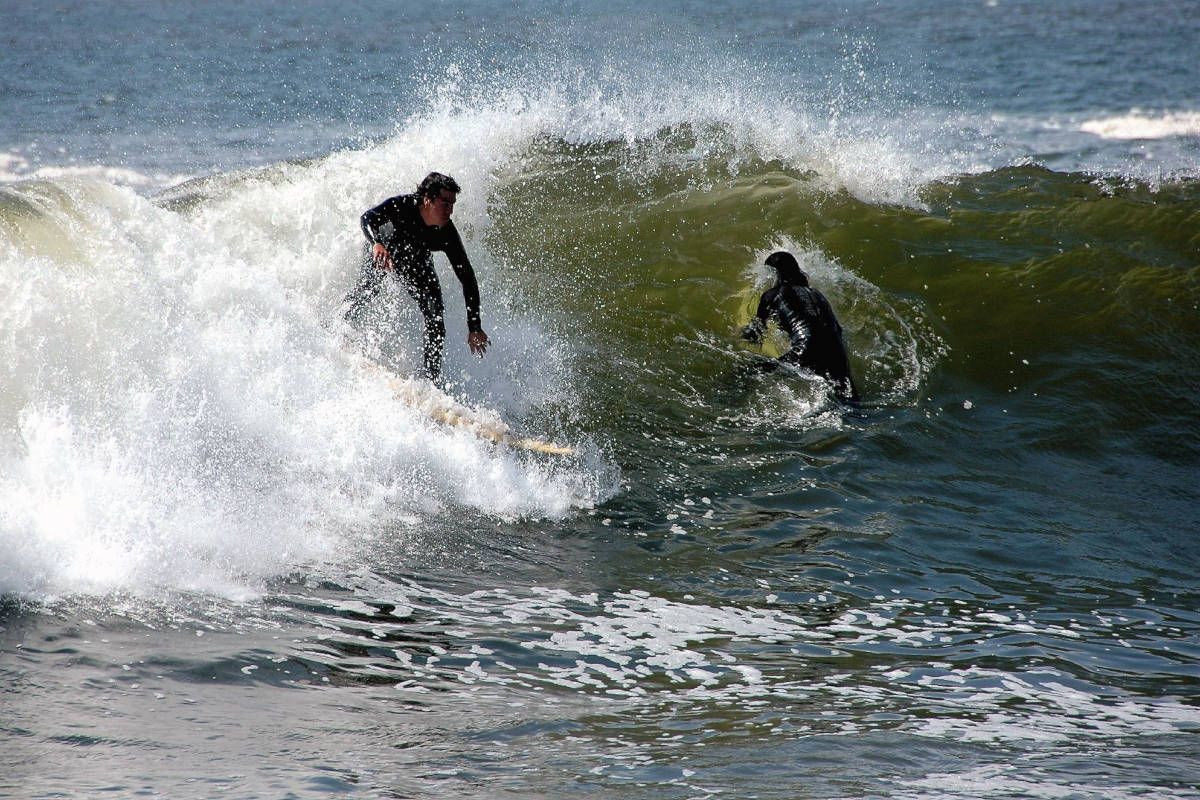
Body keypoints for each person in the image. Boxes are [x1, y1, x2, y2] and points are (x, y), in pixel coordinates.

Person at [344, 171, 490, 383]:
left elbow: (467, 276)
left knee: (436, 318)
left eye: (453, 204)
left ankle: (430, 381)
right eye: (445, 203)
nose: (450, 210)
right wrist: (376, 243)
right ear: (428, 199)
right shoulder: (402, 205)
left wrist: (474, 326)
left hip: (416, 263)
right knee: (368, 289)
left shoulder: (446, 233)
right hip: (384, 252)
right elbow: (367, 217)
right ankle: (341, 327)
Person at [741, 250, 860, 401]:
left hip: (806, 350)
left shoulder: (772, 294)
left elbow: (755, 334)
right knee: (850, 402)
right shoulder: (817, 294)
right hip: (836, 352)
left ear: (774, 274)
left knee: (748, 370)